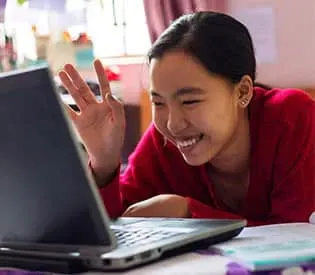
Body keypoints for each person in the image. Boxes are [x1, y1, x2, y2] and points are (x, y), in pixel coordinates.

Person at [59, 11, 315, 226]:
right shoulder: (164, 142)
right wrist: (104, 164)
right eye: (158, 102)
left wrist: (189, 212)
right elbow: (114, 227)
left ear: (243, 92)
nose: (172, 124)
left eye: (190, 101)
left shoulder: (293, 119)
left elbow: (295, 234)